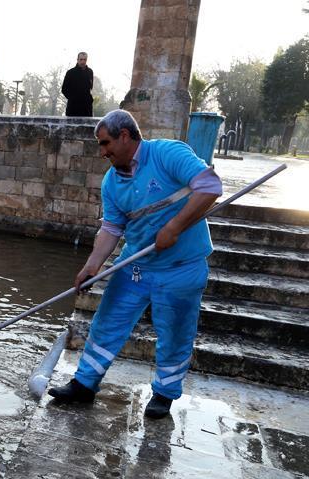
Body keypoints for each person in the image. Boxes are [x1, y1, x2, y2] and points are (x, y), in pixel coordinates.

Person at [47, 109, 223, 419]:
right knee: (107, 322)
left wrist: (175, 227)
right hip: (136, 264)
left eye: (105, 144)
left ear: (125, 136)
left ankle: (164, 394)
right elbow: (112, 228)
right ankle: (84, 384)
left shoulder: (167, 153)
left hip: (181, 267)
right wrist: (92, 266)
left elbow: (210, 187)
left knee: (175, 332)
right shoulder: (112, 183)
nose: (102, 152)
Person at [61, 52, 94, 117]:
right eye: (81, 59)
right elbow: (64, 89)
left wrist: (89, 100)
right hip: (73, 108)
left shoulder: (90, 72)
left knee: (87, 127)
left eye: (84, 60)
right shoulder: (70, 73)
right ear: (77, 60)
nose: (83, 61)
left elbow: (90, 87)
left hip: (87, 108)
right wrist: (73, 99)